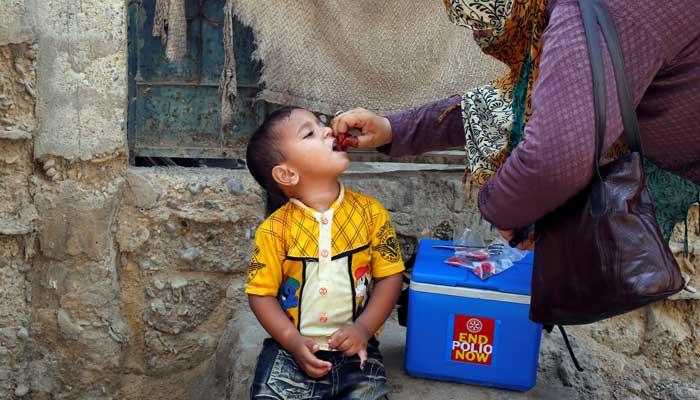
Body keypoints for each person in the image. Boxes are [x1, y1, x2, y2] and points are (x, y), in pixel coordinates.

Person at [331, 0, 700, 249]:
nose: (483, 40)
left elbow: (553, 159)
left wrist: (507, 212)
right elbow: (522, 102)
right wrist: (393, 129)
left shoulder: (589, 14)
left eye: (487, 27)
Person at [245, 106, 405, 399]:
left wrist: (363, 329)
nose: (328, 130)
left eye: (321, 124)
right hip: (291, 352)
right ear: (287, 173)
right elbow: (260, 294)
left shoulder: (371, 214)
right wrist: (292, 341)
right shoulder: (274, 230)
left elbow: (391, 277)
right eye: (310, 133)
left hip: (357, 348)